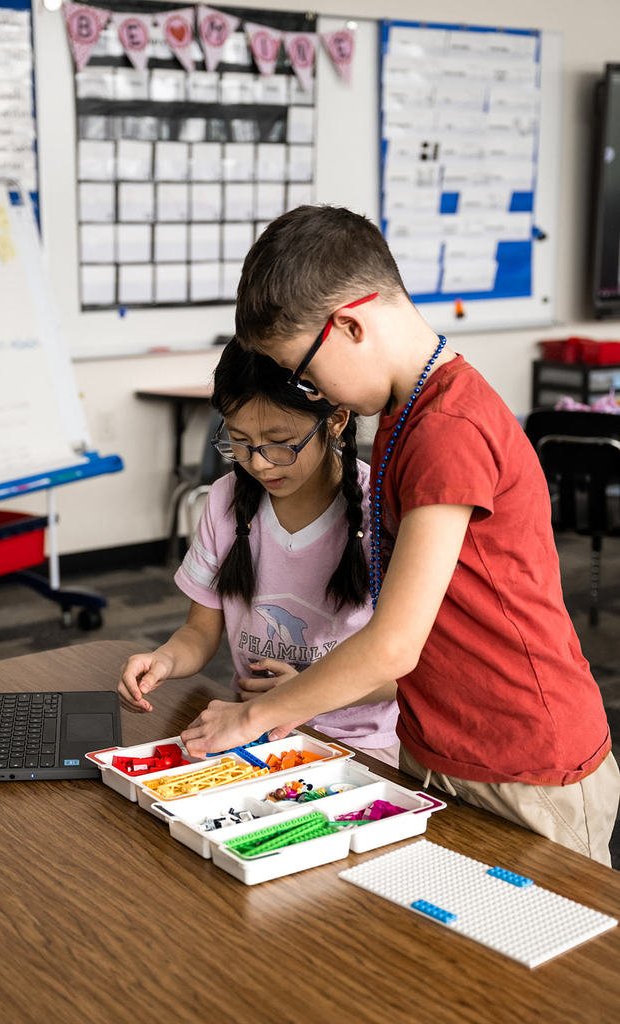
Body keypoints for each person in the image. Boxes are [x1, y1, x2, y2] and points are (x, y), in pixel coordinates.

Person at [180, 204, 620, 866]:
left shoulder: (448, 429)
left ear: (349, 325)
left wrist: (254, 717)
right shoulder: (405, 411)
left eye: (304, 373)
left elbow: (391, 646)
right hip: (442, 740)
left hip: (523, 761)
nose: (311, 391)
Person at [118, 337, 399, 764]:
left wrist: (300, 694)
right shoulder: (225, 500)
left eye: (279, 442)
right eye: (240, 441)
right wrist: (165, 660)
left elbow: (409, 671)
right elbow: (199, 632)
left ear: (336, 420)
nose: (260, 463)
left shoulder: (381, 510)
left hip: (360, 744)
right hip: (252, 733)